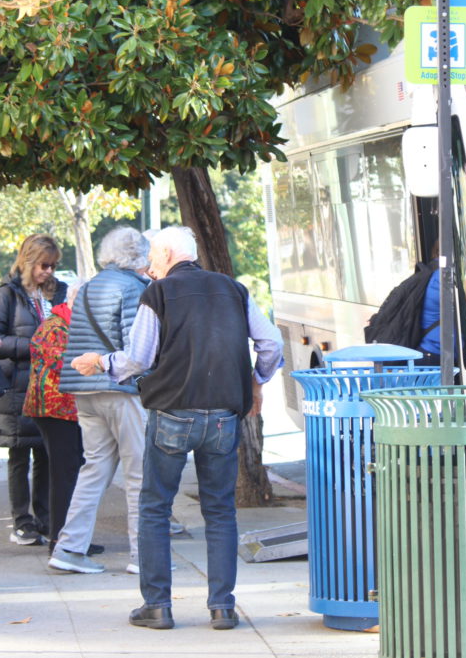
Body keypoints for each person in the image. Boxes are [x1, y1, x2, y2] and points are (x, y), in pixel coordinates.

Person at [73, 226, 284, 631]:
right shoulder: (234, 290)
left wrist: (99, 362)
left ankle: (158, 606)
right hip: (223, 415)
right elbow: (271, 343)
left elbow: (137, 358)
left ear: (168, 253)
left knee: (154, 507)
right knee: (220, 511)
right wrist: (257, 379)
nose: (149, 265)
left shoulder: (158, 293)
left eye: (153, 256)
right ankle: (222, 608)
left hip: (173, 413)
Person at [49, 227, 152, 574]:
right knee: (138, 472)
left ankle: (69, 548)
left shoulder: (90, 285)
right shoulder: (134, 288)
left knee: (94, 468)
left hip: (84, 388)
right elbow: (134, 350)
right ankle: (143, 555)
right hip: (119, 390)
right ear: (138, 256)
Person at [0, 234, 67, 546]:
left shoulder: (58, 292)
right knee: (19, 455)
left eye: (54, 265)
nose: (49, 271)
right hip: (16, 385)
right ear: (29, 261)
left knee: (47, 454)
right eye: (44, 265)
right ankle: (22, 520)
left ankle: (45, 518)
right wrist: (35, 347)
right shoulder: (6, 295)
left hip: (51, 386)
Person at [24, 280, 84, 551]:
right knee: (65, 472)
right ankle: (61, 539)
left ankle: (66, 535)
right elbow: (66, 365)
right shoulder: (55, 326)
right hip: (56, 410)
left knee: (68, 470)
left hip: (62, 409)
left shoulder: (66, 322)